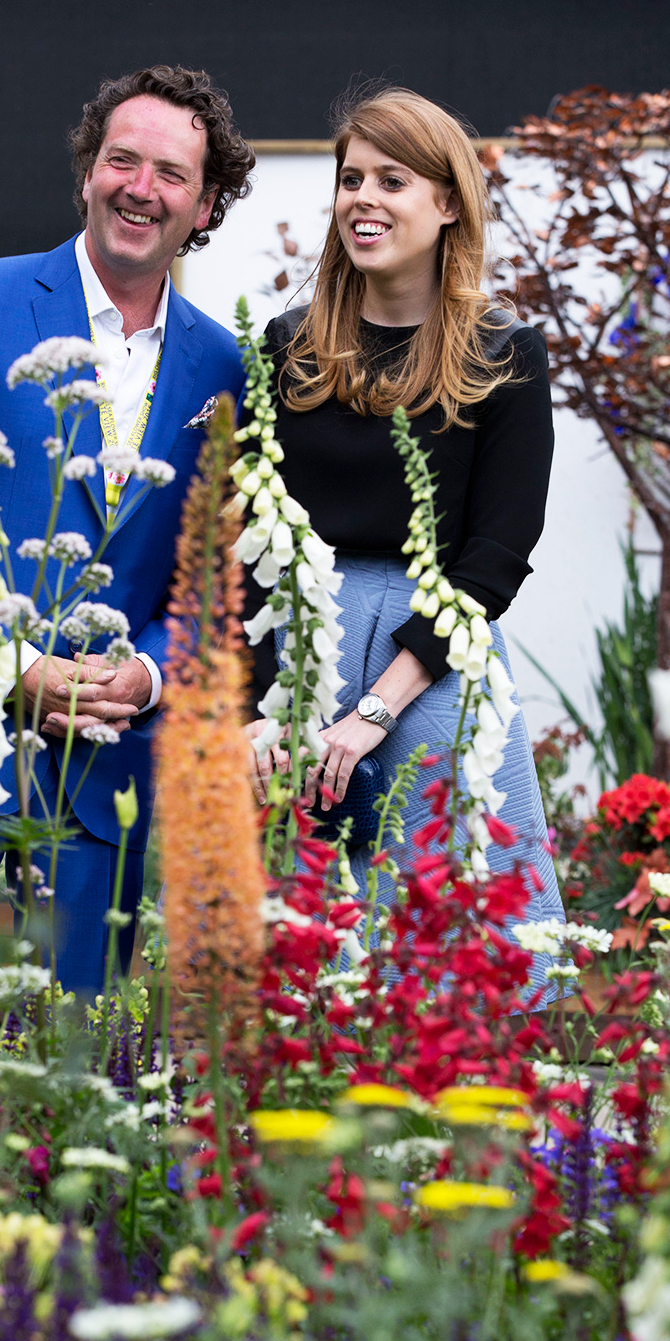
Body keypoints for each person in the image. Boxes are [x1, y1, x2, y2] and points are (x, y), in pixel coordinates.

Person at [0, 66, 254, 992]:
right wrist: (17, 663)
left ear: (203, 207)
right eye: (121, 159)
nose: (139, 188)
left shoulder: (223, 363)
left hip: (105, 766)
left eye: (170, 174)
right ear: (86, 172)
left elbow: (208, 576)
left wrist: (149, 674)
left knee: (78, 1068)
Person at [248, 85, 566, 966]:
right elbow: (242, 533)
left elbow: (497, 554)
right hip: (299, 646)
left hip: (435, 655)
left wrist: (381, 706)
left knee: (469, 893)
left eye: (394, 180)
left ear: (448, 202)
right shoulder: (287, 347)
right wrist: (256, 704)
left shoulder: (504, 356)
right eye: (353, 179)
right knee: (304, 914)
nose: (364, 200)